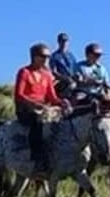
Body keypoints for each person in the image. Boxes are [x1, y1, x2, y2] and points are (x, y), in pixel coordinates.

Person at [15, 43, 70, 171]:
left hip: (43, 108)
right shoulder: (24, 72)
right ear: (34, 57)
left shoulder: (46, 75)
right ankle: (36, 157)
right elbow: (19, 94)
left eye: (47, 57)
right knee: (38, 121)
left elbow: (52, 97)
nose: (46, 59)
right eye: (43, 56)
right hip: (26, 109)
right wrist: (33, 104)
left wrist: (62, 102)